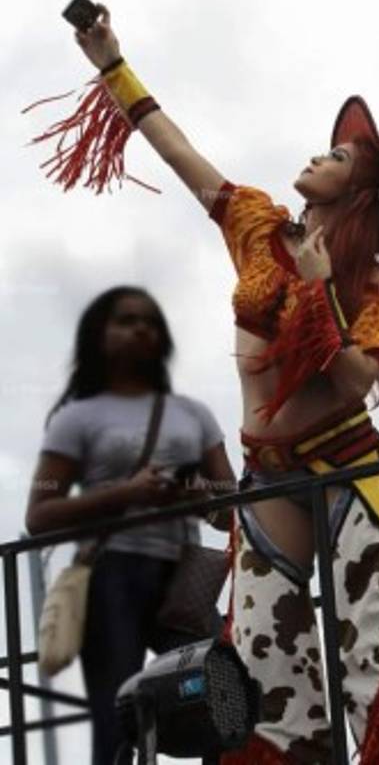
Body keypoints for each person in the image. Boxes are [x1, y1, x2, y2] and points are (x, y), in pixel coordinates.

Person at [28, 5, 379, 764]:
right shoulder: (259, 226)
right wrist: (111, 64)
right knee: (267, 683)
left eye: (335, 156)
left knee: (375, 667)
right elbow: (180, 154)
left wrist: (320, 288)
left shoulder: (373, 284)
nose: (315, 155)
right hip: (268, 476)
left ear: (360, 190)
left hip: (348, 470)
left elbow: (360, 380)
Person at [25, 285, 236, 765]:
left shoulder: (194, 415)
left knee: (221, 699)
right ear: (98, 336)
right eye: (125, 320)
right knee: (118, 724)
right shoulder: (75, 419)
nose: (140, 328)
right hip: (112, 576)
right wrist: (127, 493)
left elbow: (232, 504)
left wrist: (199, 494)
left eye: (150, 321)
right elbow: (39, 514)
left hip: (184, 579)